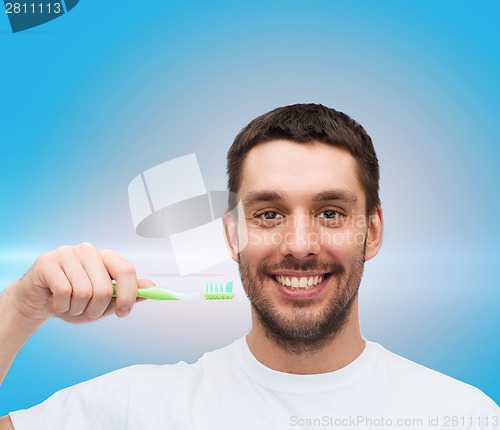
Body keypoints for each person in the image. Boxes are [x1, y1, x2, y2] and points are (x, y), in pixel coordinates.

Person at [0, 104, 498, 430]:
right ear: (231, 234)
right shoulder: (137, 409)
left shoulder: (463, 417)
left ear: (372, 231)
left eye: (330, 212)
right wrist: (21, 308)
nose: (300, 245)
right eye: (269, 214)